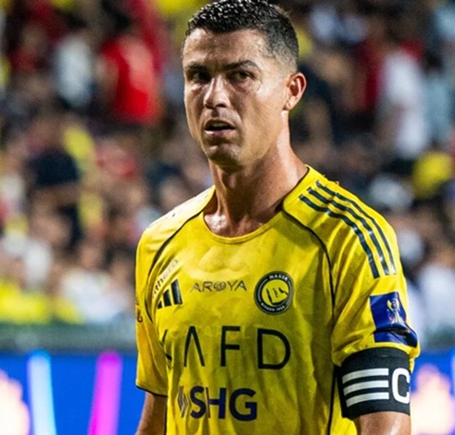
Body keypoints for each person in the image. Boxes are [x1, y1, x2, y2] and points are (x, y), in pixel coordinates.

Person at [134, 1, 419, 434]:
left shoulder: (346, 239)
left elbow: (385, 425)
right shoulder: (160, 243)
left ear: (292, 90)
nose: (214, 97)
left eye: (240, 76)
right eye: (198, 76)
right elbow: (160, 414)